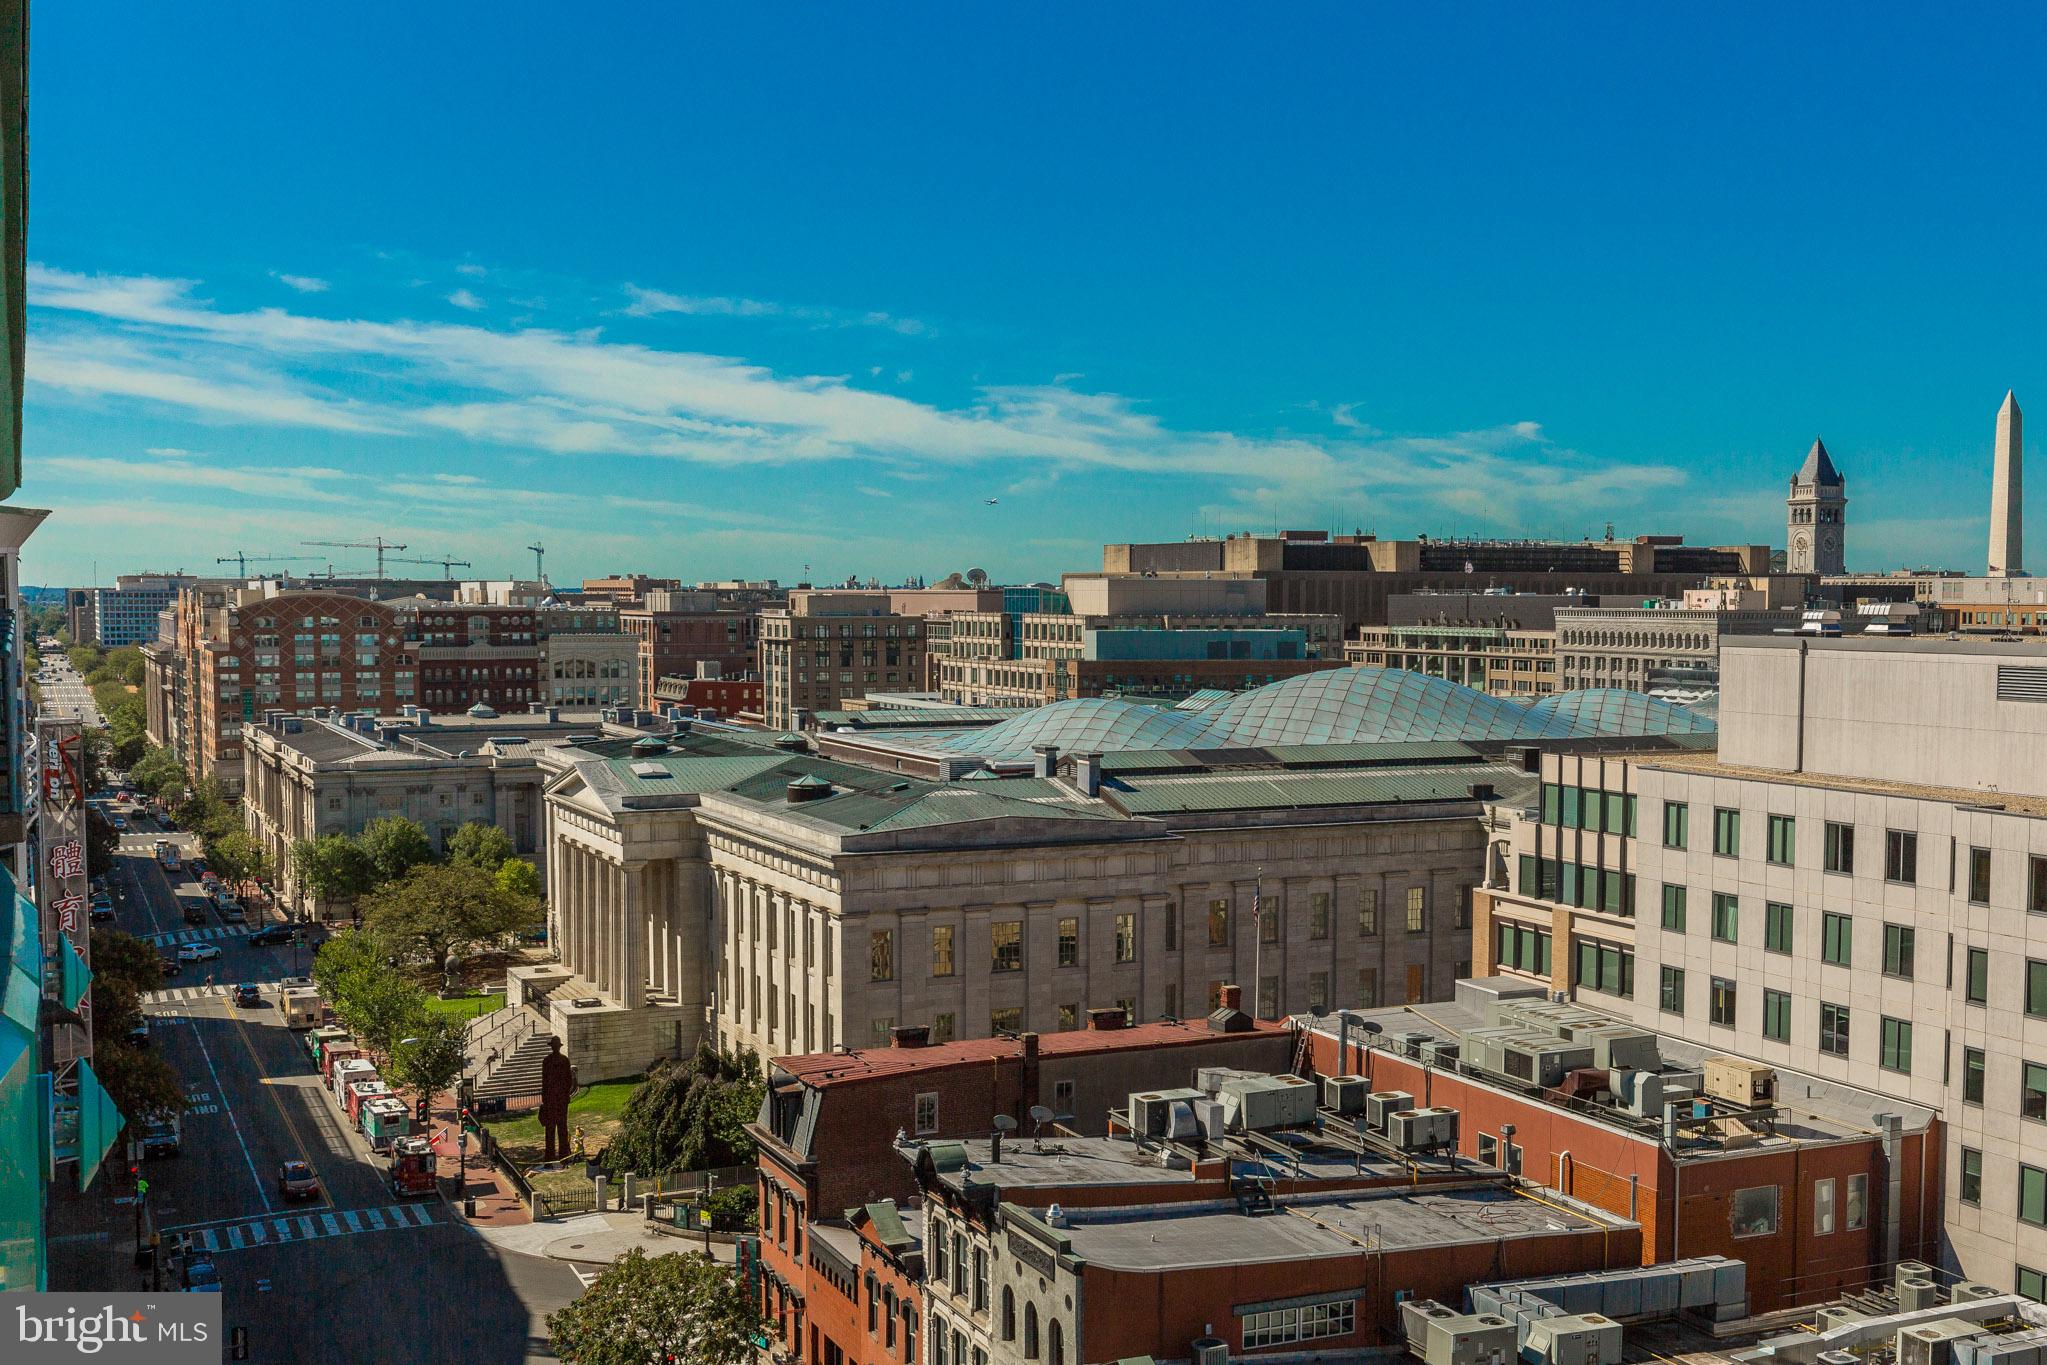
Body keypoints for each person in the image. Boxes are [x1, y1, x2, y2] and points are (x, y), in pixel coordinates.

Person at [538, 1037, 574, 1161]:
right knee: (562, 1127)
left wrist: (545, 1099)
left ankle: (550, 1155)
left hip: (551, 1100)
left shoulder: (546, 1061)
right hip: (561, 1100)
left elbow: (544, 1082)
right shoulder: (565, 1060)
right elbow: (569, 1080)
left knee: (550, 1129)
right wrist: (565, 1094)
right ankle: (563, 1154)